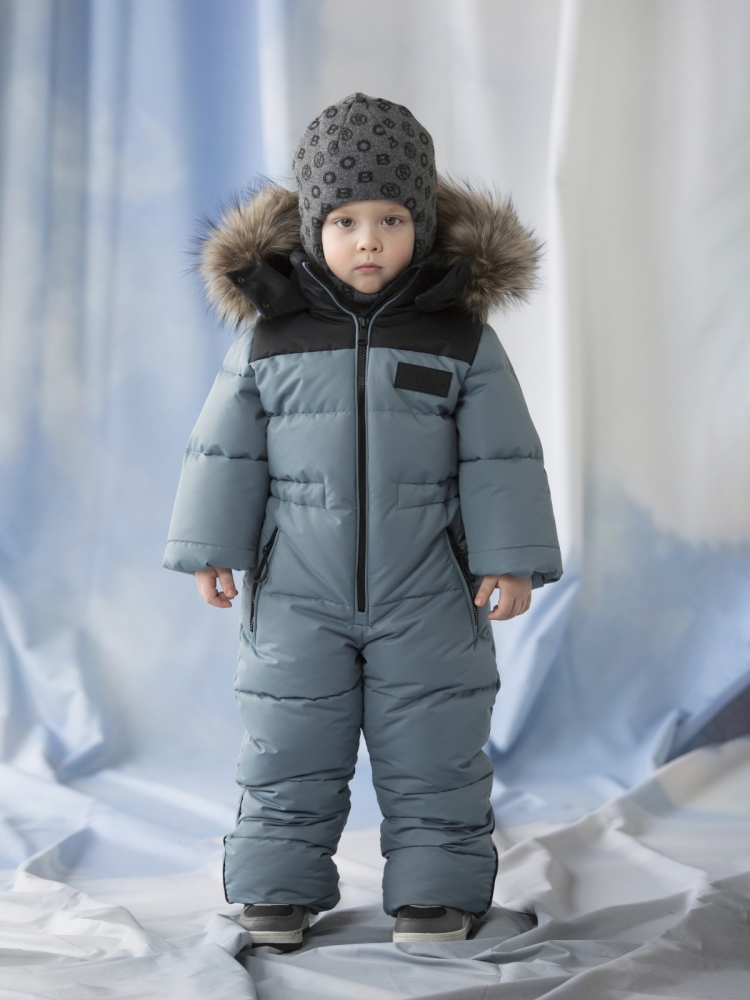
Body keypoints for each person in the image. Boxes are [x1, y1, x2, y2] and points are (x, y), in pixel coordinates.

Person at [163, 93, 562, 949]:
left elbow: (501, 457)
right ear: (313, 228)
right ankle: (277, 886)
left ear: (423, 223)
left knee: (436, 745)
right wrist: (210, 548)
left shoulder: (459, 338)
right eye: (344, 221)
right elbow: (225, 450)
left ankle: (436, 891)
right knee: (287, 740)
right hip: (296, 589)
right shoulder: (271, 336)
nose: (368, 240)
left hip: (431, 589)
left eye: (390, 219)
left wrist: (512, 558)